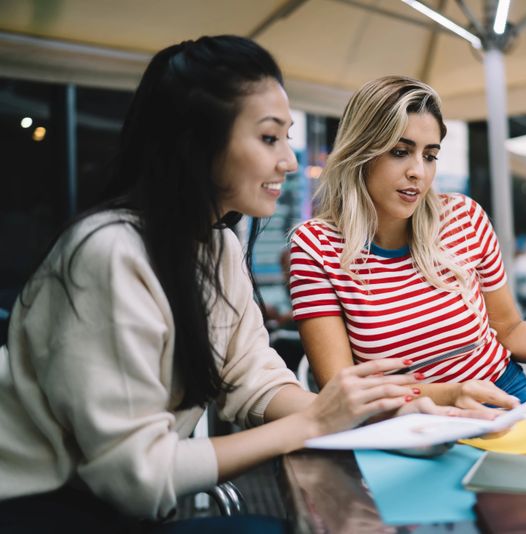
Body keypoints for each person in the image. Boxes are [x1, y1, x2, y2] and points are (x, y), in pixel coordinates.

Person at [0, 37, 481, 533]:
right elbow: (136, 474)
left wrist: (379, 417)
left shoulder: (216, 248)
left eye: (286, 138)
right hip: (33, 509)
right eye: (270, 138)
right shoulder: (108, 252)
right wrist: (314, 423)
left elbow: (254, 379)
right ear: (199, 142)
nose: (290, 162)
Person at [289, 76, 526, 412]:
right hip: (405, 425)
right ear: (361, 153)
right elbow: (342, 392)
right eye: (400, 151)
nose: (419, 171)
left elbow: (509, 330)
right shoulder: (316, 248)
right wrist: (451, 394)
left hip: (506, 397)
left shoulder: (464, 218)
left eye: (430, 155)